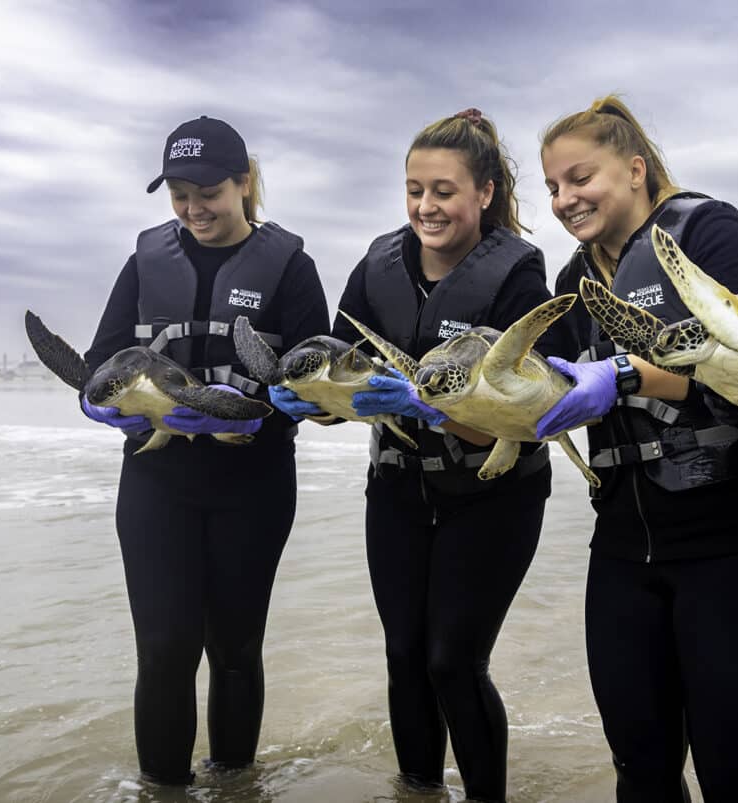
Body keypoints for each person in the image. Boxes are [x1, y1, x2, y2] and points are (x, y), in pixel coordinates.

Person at [271, 108, 574, 802]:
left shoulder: (520, 277)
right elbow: (337, 378)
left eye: (443, 190)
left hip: (495, 490)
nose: (425, 206)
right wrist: (312, 401)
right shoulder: (376, 266)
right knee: (404, 655)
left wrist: (436, 406)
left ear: (485, 193)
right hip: (399, 489)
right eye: (415, 189)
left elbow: (531, 420)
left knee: (452, 661)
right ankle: (417, 792)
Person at [534, 95, 738, 802]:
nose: (565, 199)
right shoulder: (575, 281)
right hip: (625, 548)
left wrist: (630, 372)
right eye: (553, 188)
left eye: (580, 177)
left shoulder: (712, 233)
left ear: (634, 169)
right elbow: (543, 387)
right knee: (641, 772)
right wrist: (438, 398)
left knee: (735, 778)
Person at [82, 116, 330, 785]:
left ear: (244, 183)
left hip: (251, 484)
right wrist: (104, 403)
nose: (194, 207)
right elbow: (100, 361)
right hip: (157, 479)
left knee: (235, 650)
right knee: (164, 650)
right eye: (179, 194)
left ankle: (234, 785)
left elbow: (318, 371)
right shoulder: (144, 262)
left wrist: (282, 410)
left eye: (209, 191)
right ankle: (163, 792)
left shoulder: (291, 267)